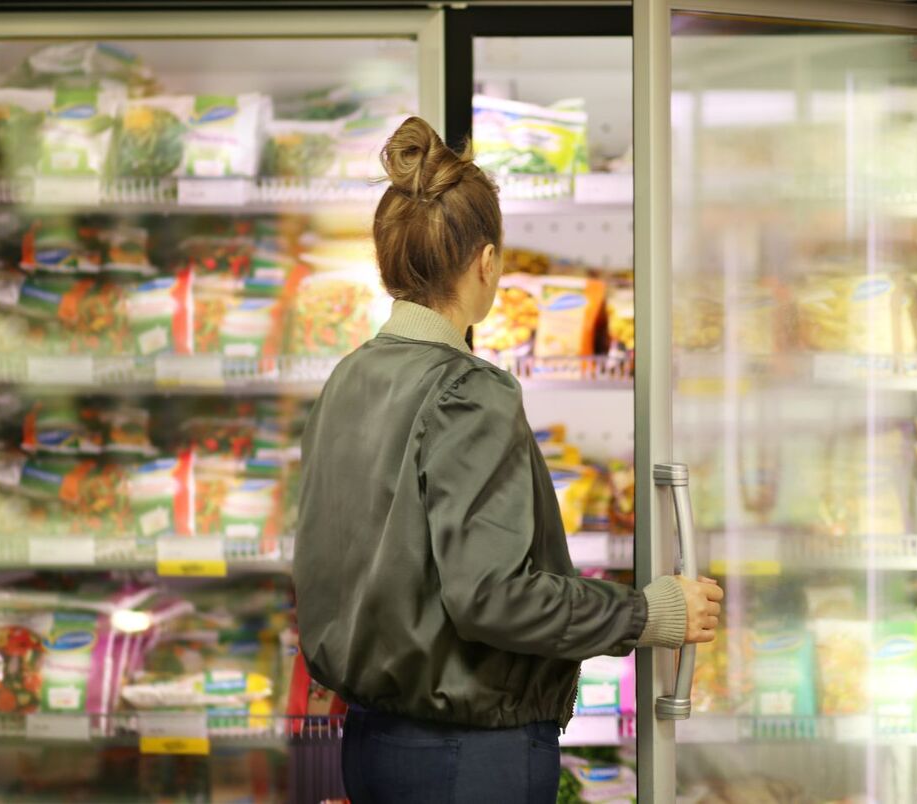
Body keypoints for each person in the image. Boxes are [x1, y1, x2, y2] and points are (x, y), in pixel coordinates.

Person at [292, 117, 723, 804]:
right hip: (468, 755)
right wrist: (644, 614)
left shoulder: (349, 377)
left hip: (374, 744)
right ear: (487, 263)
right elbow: (492, 596)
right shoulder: (468, 390)